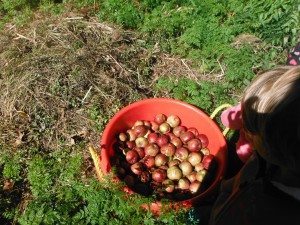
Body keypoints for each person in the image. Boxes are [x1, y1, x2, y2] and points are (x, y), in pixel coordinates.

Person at [207, 66, 300, 225]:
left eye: (251, 131)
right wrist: (224, 187)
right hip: (228, 203)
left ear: (271, 149)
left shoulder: (277, 214)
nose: (247, 134)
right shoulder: (262, 158)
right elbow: (243, 176)